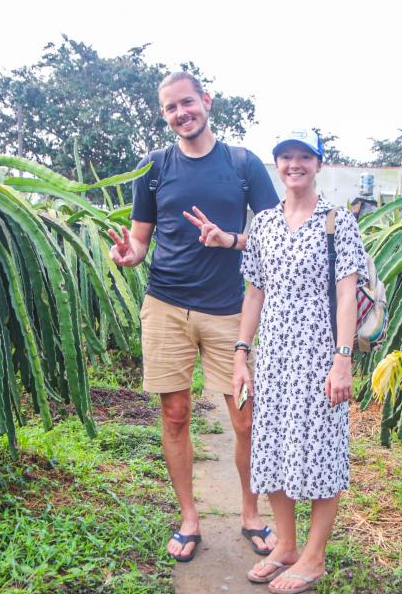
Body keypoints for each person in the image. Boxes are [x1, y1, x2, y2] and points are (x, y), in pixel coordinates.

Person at [107, 71, 280, 563]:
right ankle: (189, 518)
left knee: (245, 420)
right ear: (164, 115)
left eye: (187, 103)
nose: (181, 114)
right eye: (170, 109)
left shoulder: (244, 165)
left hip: (230, 312)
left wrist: (231, 239)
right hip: (165, 306)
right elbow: (141, 239)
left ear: (206, 101)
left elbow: (272, 237)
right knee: (175, 413)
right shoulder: (154, 168)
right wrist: (129, 253)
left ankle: (250, 513)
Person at [233, 128, 367, 593]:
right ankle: (285, 545)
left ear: (318, 164)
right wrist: (241, 354)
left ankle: (313, 557)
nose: (294, 164)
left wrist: (342, 360)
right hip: (272, 357)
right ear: (277, 165)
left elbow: (347, 294)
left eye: (303, 157)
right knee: (271, 448)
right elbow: (254, 292)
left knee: (321, 452)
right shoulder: (265, 223)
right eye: (286, 157)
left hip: (319, 358)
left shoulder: (337, 222)